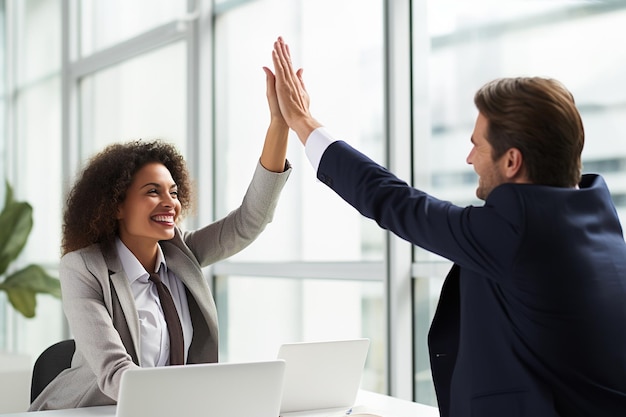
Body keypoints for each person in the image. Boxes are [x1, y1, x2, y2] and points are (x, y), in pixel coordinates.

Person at [269, 36, 626, 417]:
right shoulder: (598, 219)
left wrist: (304, 122)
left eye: (478, 145)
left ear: (512, 161)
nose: (469, 158)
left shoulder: (519, 232)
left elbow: (394, 202)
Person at [29, 67, 291, 410]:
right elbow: (115, 371)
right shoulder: (83, 268)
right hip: (91, 410)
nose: (171, 203)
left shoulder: (183, 254)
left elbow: (249, 221)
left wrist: (280, 124)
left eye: (174, 191)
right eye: (153, 192)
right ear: (117, 204)